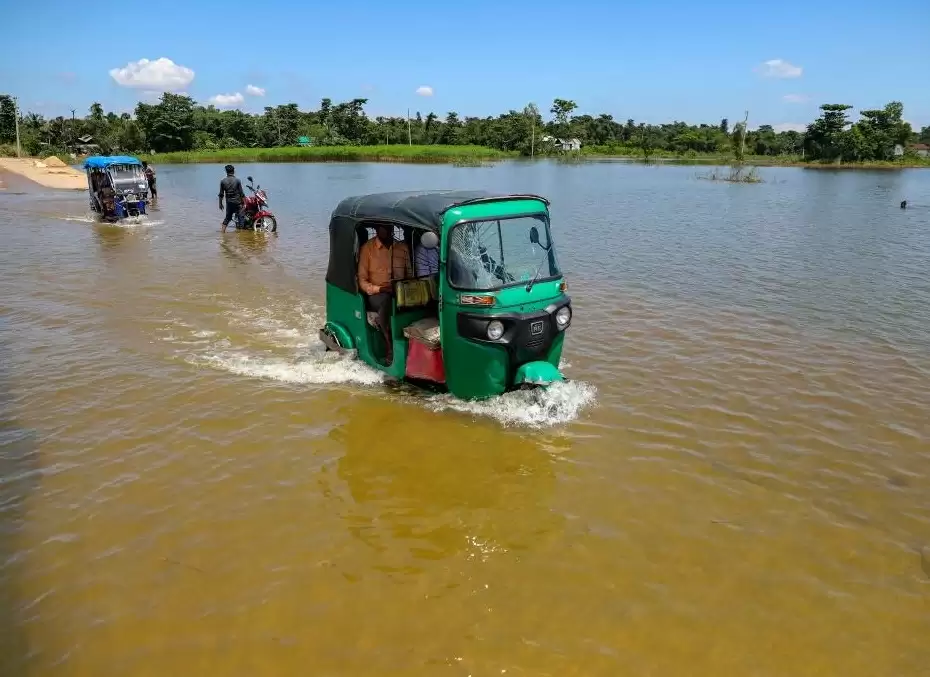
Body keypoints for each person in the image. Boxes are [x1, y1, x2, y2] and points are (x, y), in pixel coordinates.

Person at [357, 223, 412, 364]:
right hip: (376, 295)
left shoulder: (402, 248)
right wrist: (380, 289)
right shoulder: (368, 249)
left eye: (390, 228)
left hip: (399, 292)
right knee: (386, 300)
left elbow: (410, 276)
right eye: (384, 228)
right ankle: (389, 345)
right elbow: (362, 281)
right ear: (376, 230)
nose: (388, 231)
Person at [218, 164, 245, 233]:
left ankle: (222, 233)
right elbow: (242, 194)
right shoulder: (237, 180)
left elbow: (221, 195)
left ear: (226, 172)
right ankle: (241, 236)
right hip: (237, 203)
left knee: (228, 218)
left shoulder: (223, 181)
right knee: (241, 218)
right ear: (233, 171)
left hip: (229, 203)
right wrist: (244, 203)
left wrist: (220, 204)